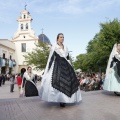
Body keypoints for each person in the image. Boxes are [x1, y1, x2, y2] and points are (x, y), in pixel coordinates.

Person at [39, 33, 82, 107]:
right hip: (57, 65)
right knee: (57, 81)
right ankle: (61, 99)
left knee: (69, 81)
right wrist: (48, 69)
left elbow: (68, 58)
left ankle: (65, 99)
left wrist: (71, 67)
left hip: (67, 66)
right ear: (57, 38)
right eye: (60, 37)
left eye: (63, 37)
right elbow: (51, 58)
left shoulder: (66, 47)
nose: (62, 38)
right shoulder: (54, 47)